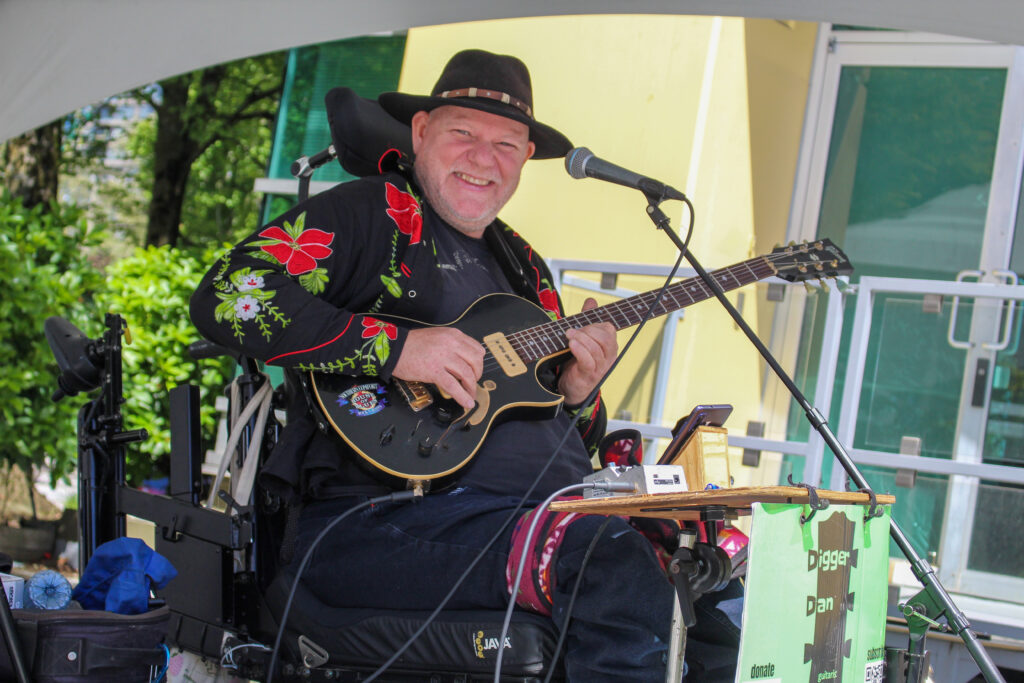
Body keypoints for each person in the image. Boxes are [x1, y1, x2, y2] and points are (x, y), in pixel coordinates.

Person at [190, 49, 683, 682]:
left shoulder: (527, 268)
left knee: (710, 581)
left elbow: (570, 439)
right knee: (606, 558)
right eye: (463, 134)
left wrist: (579, 393)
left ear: (526, 159)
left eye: (507, 144)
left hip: (533, 516)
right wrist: (396, 349)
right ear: (421, 132)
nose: (484, 158)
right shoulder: (368, 214)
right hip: (380, 518)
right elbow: (230, 294)